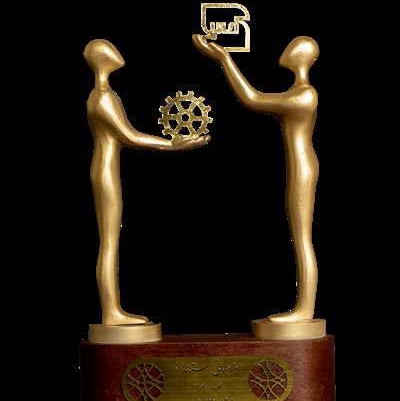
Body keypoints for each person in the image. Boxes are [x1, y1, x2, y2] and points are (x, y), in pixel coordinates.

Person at [193, 34, 319, 322]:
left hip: (302, 168)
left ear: (303, 56)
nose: (286, 50)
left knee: (303, 238)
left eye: (293, 47)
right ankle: (303, 307)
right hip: (300, 164)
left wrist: (224, 59)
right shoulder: (298, 92)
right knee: (301, 237)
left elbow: (252, 99)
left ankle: (305, 310)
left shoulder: (305, 94)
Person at [84, 39, 210, 325]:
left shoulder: (104, 95)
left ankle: (114, 309)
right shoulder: (102, 98)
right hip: (105, 171)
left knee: (110, 241)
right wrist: (172, 145)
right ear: (102, 58)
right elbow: (129, 137)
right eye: (109, 50)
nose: (117, 53)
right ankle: (111, 313)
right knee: (109, 242)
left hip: (107, 168)